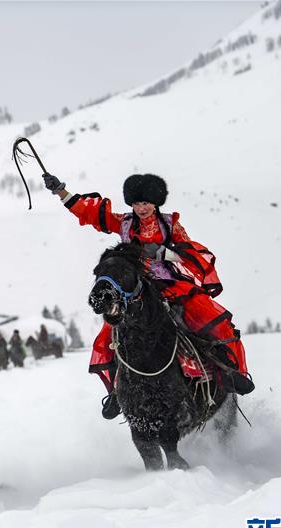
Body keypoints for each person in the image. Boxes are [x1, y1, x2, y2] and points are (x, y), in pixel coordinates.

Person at [42, 171, 254, 419]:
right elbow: (90, 213)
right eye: (136, 203)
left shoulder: (169, 224)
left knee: (212, 320)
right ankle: (116, 392)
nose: (141, 208)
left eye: (146, 203)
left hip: (170, 286)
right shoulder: (122, 222)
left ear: (156, 202)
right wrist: (61, 192)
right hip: (135, 291)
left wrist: (166, 254)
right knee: (108, 339)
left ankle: (229, 373)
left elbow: (191, 252)